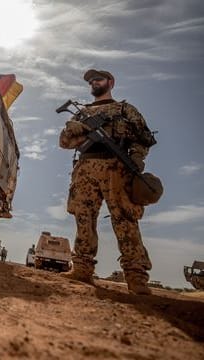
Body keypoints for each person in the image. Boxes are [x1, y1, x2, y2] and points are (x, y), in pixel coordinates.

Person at [59, 69, 157, 295]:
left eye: (98, 79)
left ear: (110, 82)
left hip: (117, 168)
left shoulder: (125, 109)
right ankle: (82, 268)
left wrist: (137, 158)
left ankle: (136, 276)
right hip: (85, 169)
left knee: (125, 219)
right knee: (83, 216)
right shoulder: (80, 113)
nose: (94, 83)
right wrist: (75, 129)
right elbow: (65, 143)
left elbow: (144, 138)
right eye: (91, 81)